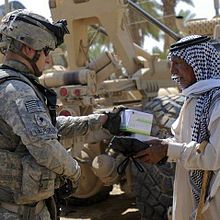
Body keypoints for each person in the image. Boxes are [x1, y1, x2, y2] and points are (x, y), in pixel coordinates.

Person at [0, 9, 113, 220]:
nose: (49, 60)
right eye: (45, 51)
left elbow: (45, 128)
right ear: (27, 48)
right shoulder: (17, 91)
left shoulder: (9, 84)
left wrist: (97, 121)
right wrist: (74, 172)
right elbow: (45, 146)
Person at [135, 35, 220, 220]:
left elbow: (214, 157)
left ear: (197, 63)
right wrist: (160, 146)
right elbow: (183, 142)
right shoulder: (193, 99)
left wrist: (169, 149)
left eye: (178, 63)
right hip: (189, 193)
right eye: (171, 64)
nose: (173, 71)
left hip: (214, 199)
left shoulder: (217, 102)